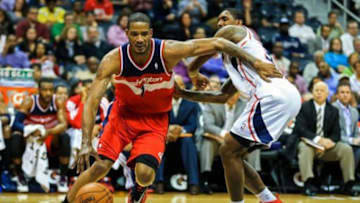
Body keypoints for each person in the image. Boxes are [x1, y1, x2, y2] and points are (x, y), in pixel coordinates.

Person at [62, 12, 280, 203]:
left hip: (154, 121)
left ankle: (139, 188)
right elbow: (91, 100)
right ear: (126, 33)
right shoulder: (113, 59)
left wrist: (255, 62)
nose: (139, 39)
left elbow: (219, 44)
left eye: (144, 34)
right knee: (100, 167)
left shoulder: (168, 51)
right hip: (122, 116)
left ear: (151, 32)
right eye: (134, 34)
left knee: (145, 175)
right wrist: (84, 143)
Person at [175, 10, 301, 203]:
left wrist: (192, 69)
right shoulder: (235, 59)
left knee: (227, 150)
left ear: (239, 22)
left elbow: (214, 43)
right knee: (234, 154)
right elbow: (221, 96)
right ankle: (268, 199)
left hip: (272, 95)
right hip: (287, 97)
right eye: (218, 20)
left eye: (224, 18)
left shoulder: (237, 32)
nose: (220, 23)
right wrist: (183, 93)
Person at [294, 82, 357, 196]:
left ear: (327, 94)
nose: (319, 93)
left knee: (346, 149)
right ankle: (308, 183)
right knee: (304, 148)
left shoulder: (333, 110)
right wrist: (318, 140)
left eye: (322, 90)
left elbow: (336, 134)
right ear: (312, 92)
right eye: (316, 90)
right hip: (309, 144)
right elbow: (300, 129)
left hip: (327, 147)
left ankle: (348, 184)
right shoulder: (304, 107)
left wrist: (329, 142)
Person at [11, 78, 70, 192]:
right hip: (30, 138)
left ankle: (63, 177)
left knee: (64, 136)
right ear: (38, 90)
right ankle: (20, 176)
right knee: (16, 137)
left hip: (49, 136)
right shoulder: (29, 101)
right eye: (44, 90)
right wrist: (30, 131)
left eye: (50, 90)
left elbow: (63, 125)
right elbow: (16, 124)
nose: (48, 93)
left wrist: (48, 132)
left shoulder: (57, 101)